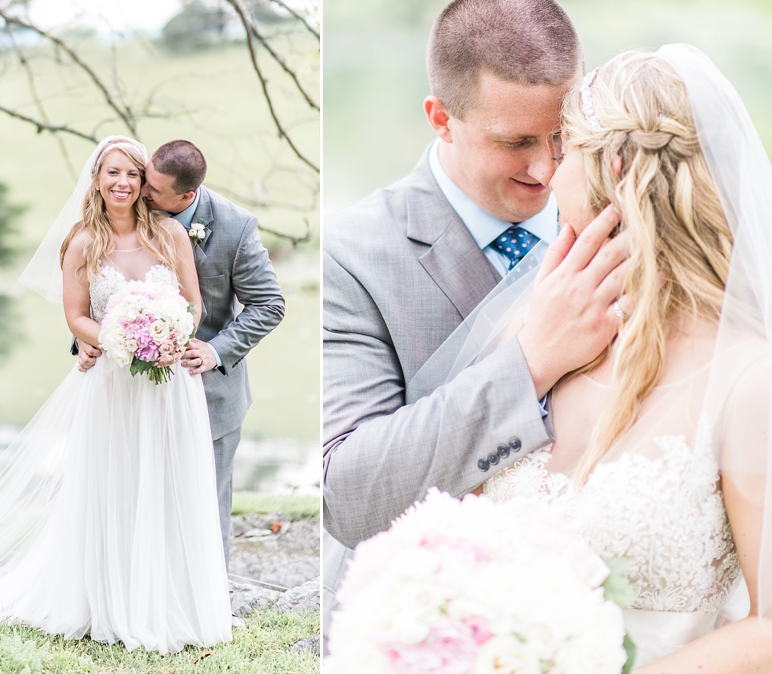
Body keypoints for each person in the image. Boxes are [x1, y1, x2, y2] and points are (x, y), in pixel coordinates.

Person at [451, 45, 772, 669]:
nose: (544, 175)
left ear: (616, 167)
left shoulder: (748, 378)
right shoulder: (537, 331)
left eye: (563, 151)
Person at [322, 0, 627, 634]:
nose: (546, 168)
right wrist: (530, 364)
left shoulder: (627, 227)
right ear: (441, 119)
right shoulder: (352, 256)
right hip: (418, 628)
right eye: (515, 142)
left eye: (562, 135)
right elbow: (349, 494)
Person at [0, 136, 232, 654]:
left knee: (166, 481)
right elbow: (76, 316)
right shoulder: (83, 242)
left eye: (132, 174)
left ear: (144, 181)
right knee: (113, 485)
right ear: (97, 179)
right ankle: (108, 599)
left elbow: (195, 305)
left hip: (170, 385)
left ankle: (170, 599)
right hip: (111, 384)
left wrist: (171, 331)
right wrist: (117, 338)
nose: (122, 183)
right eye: (112, 173)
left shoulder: (171, 235)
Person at [77, 140, 285, 584]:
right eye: (140, 179)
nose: (140, 193)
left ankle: (205, 600)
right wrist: (93, 341)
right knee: (130, 493)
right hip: (127, 388)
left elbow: (270, 305)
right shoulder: (119, 220)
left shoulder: (234, 227)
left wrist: (214, 350)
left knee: (204, 503)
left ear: (185, 197)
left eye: (151, 189)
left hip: (206, 389)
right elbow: (101, 292)